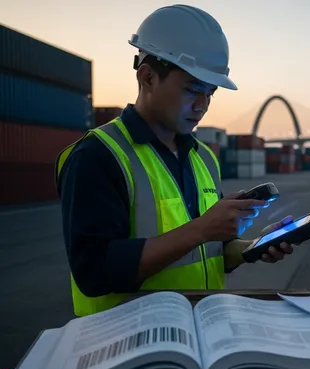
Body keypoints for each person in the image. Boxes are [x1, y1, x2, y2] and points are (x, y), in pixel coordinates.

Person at [55, 4, 295, 317]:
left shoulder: (203, 157)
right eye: (193, 89)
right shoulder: (98, 156)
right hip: (125, 347)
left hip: (200, 332)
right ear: (148, 77)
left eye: (210, 92)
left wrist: (252, 248)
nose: (203, 105)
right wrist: (201, 229)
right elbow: (94, 272)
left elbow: (209, 253)